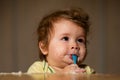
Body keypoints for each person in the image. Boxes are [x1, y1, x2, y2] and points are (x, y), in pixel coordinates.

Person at [27, 8, 95, 74]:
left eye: (80, 40)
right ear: (44, 47)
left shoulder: (86, 71)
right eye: (65, 38)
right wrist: (62, 76)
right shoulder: (38, 69)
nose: (75, 45)